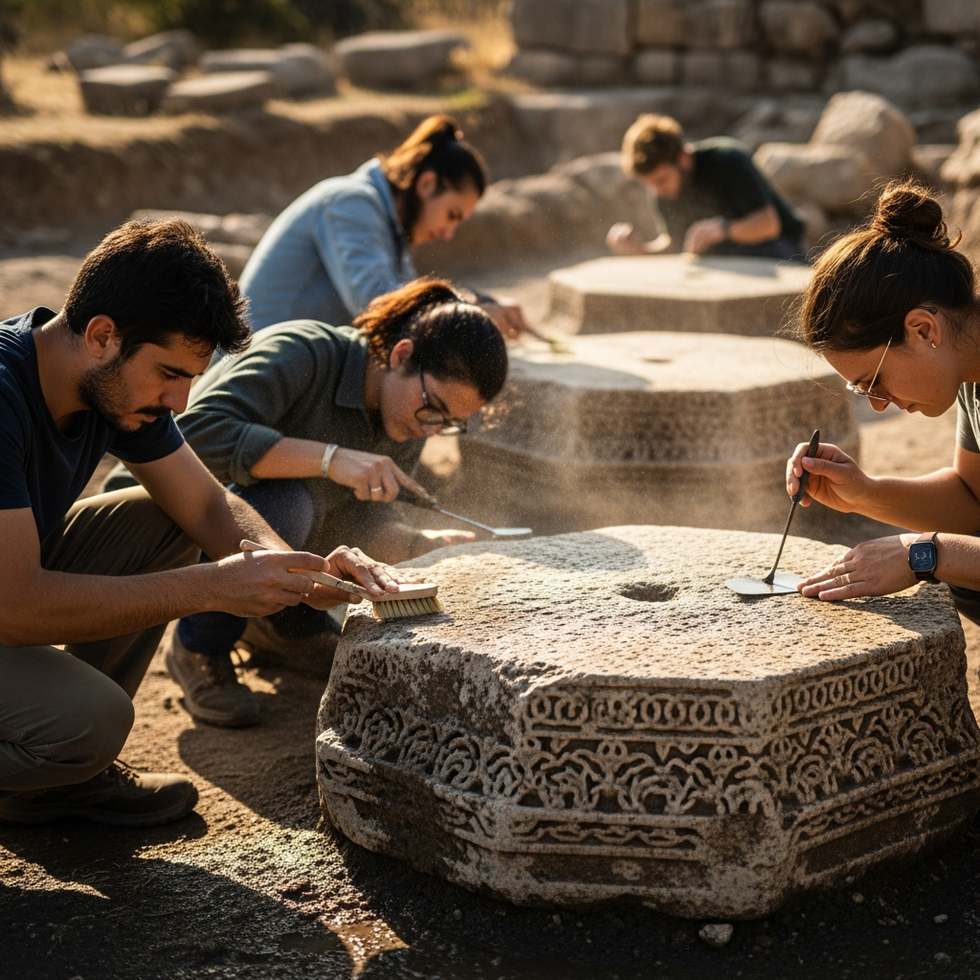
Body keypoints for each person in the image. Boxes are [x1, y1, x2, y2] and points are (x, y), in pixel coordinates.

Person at [0, 218, 400, 827]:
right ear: (103, 335)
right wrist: (213, 587)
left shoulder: (112, 382)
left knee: (155, 518)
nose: (180, 402)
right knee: (93, 721)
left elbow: (209, 507)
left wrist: (299, 572)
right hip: (8, 601)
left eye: (190, 378)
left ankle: (60, 783)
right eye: (170, 375)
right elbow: (15, 609)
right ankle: (57, 755)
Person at [158, 277, 508, 728]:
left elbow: (359, 515)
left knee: (308, 507)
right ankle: (199, 646)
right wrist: (330, 459)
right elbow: (189, 436)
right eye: (433, 409)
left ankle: (285, 630)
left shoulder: (403, 417)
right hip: (157, 516)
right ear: (401, 355)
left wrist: (414, 543)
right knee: (291, 500)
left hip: (247, 540)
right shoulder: (303, 351)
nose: (432, 430)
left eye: (449, 423)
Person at [785, 179, 980, 610]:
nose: (876, 403)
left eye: (874, 381)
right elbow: (972, 503)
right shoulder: (970, 373)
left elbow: (957, 539)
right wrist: (863, 493)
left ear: (923, 329)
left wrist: (924, 555)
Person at [238, 113, 527, 340]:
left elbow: (411, 302)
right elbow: (383, 309)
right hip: (245, 389)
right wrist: (472, 314)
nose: (447, 233)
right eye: (452, 215)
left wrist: (479, 301)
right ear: (427, 185)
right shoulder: (351, 203)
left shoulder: (388, 227)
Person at [606, 113, 806, 260]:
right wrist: (640, 250)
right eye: (649, 184)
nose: (657, 191)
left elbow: (769, 225)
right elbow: (675, 243)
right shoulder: (662, 191)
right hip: (723, 260)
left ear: (682, 159)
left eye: (662, 180)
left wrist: (722, 229)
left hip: (780, 249)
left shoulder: (727, 159)